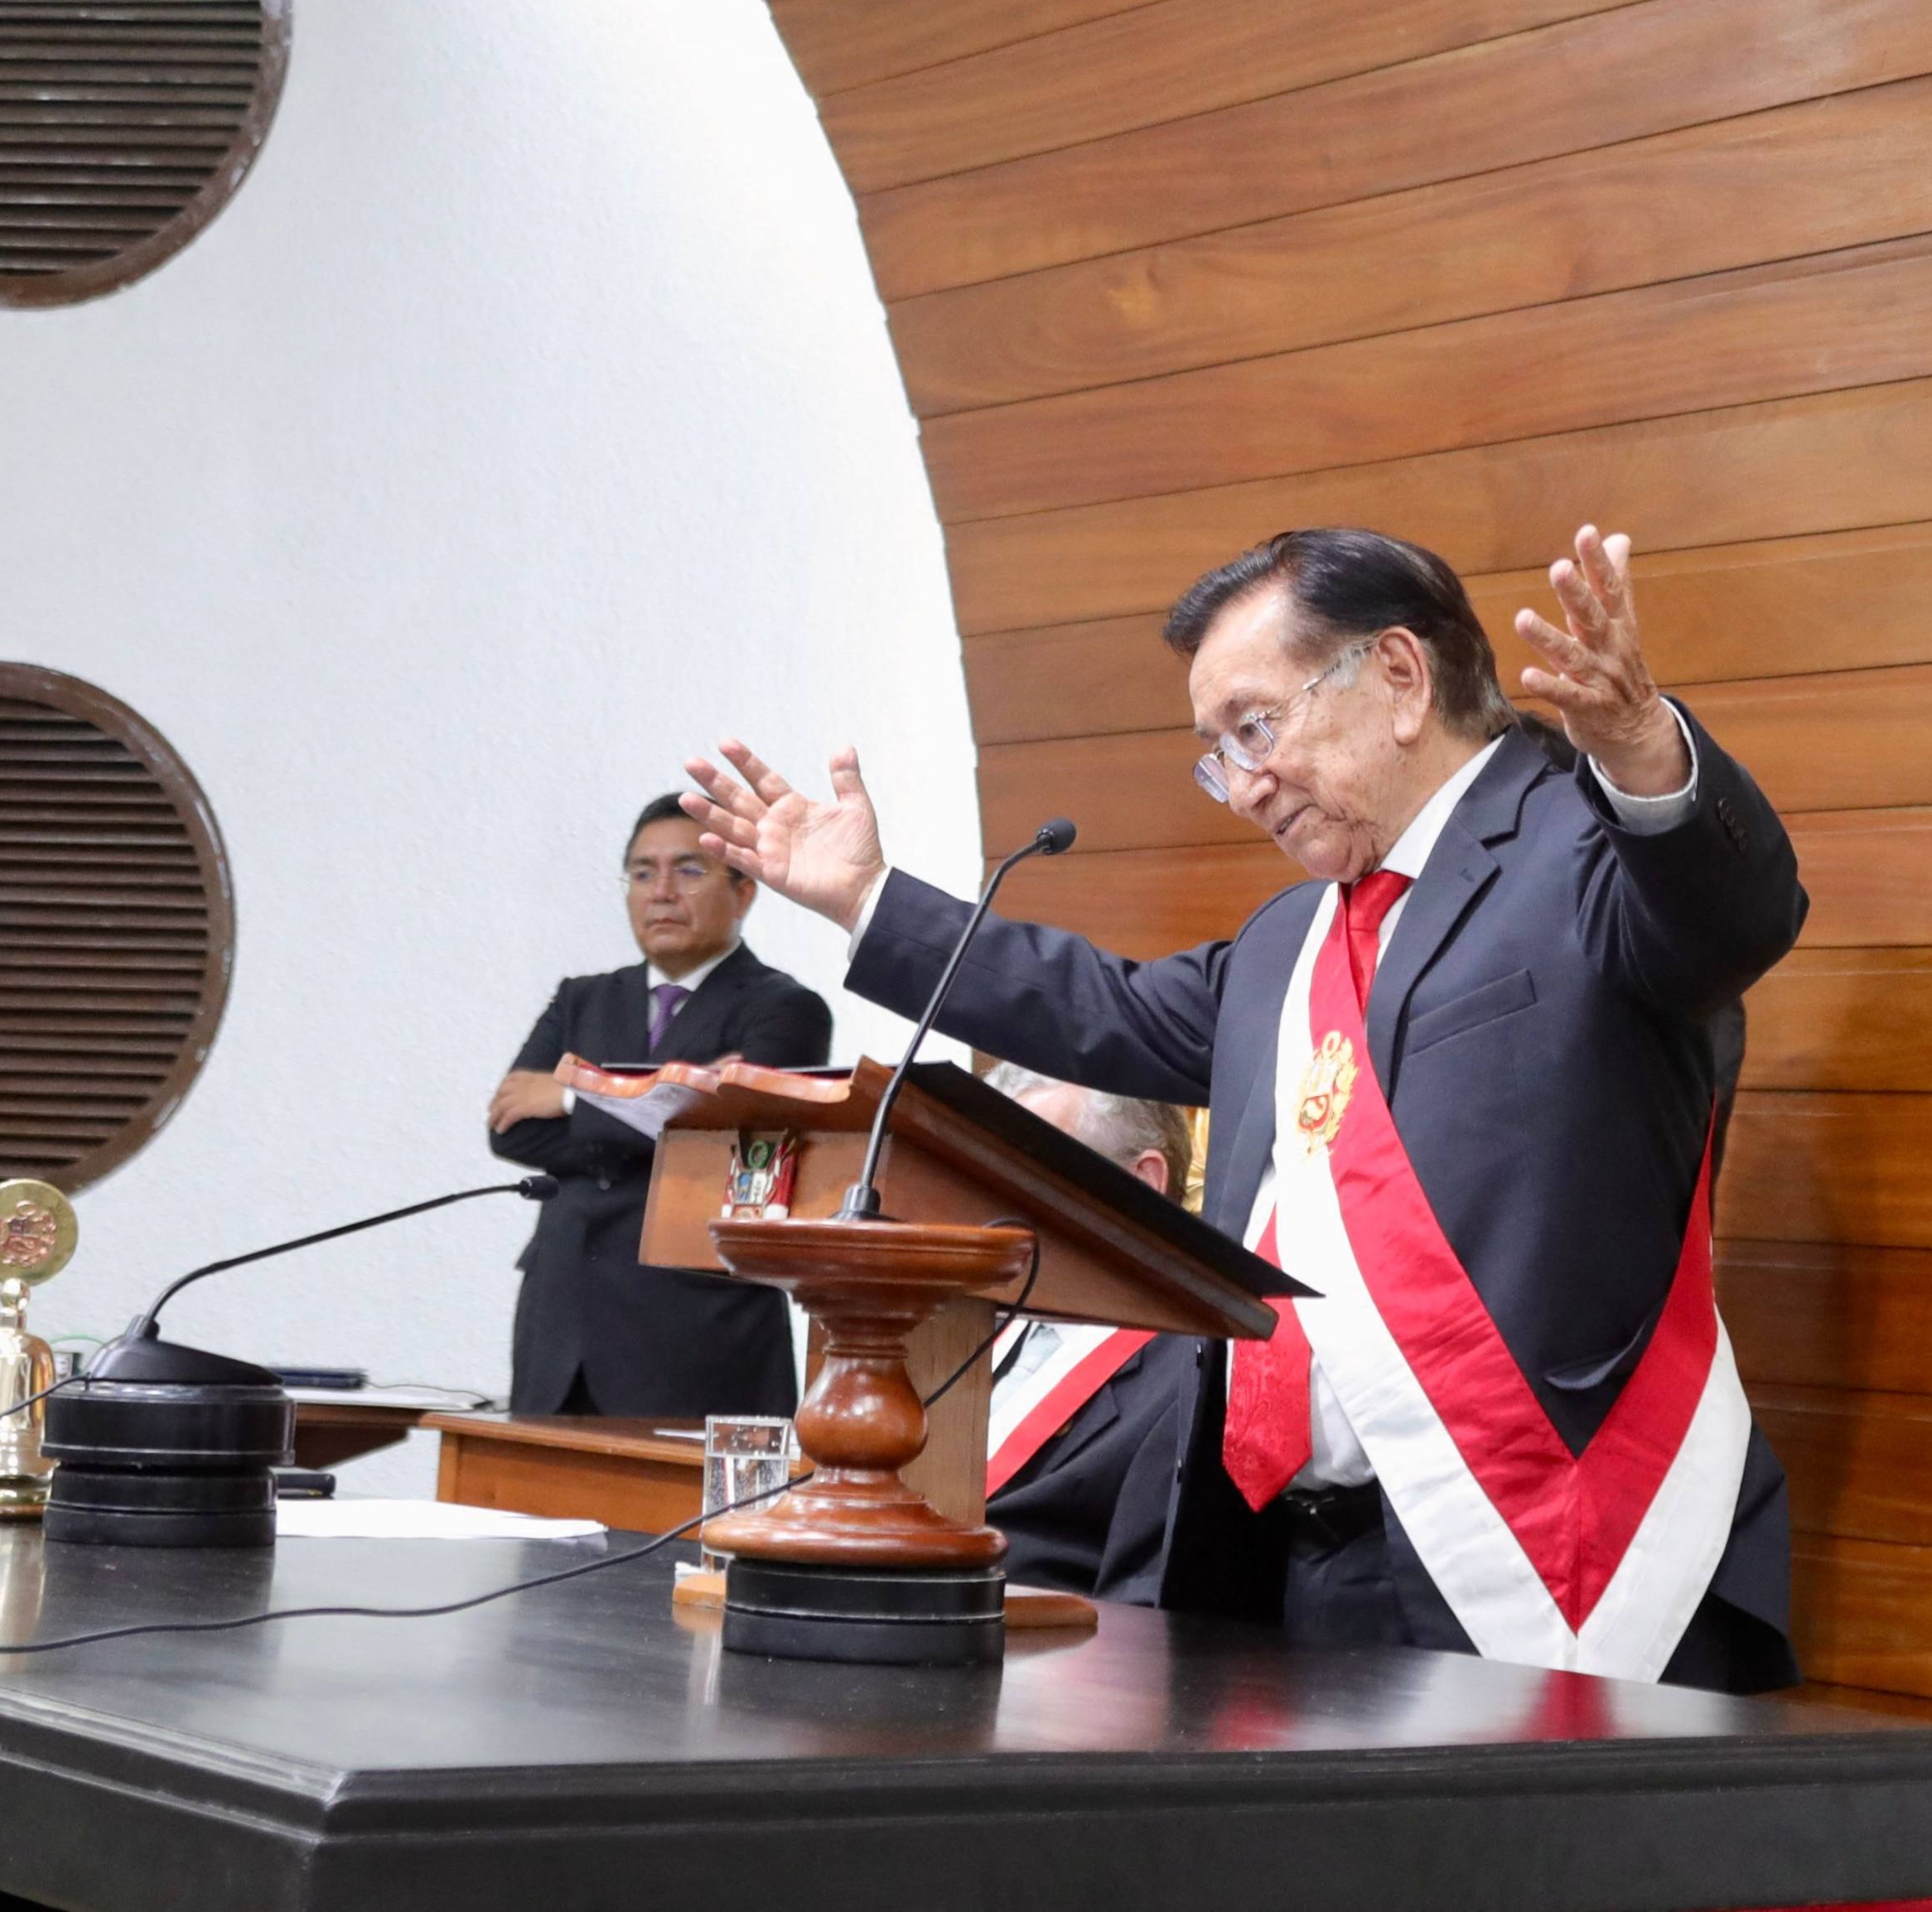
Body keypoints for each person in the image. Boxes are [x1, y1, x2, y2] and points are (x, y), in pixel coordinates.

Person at [685, 524, 1804, 1690]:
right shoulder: (1290, 940)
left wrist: (1641, 752)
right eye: (1215, 754)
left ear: (1399, 677)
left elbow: (1738, 915)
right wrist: (867, 901)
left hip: (1550, 1534)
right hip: (1296, 1561)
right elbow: (1095, 1008)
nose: (1243, 783)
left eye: (1254, 728)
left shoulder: (1584, 844)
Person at [487, 794, 833, 1416]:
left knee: (674, 1515)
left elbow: (740, 1143)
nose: (661, 891)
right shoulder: (582, 1000)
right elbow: (513, 1133)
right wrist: (681, 1097)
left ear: (744, 890)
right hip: (560, 1314)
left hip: (694, 1326)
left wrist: (570, 1097)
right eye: (643, 873)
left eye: (689, 870)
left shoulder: (782, 1009)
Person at [973, 1062, 1204, 1602]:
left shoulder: (1192, 1370)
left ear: (1140, 1182)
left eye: (1032, 1172)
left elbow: (1145, 1606)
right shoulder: (960, 1324)